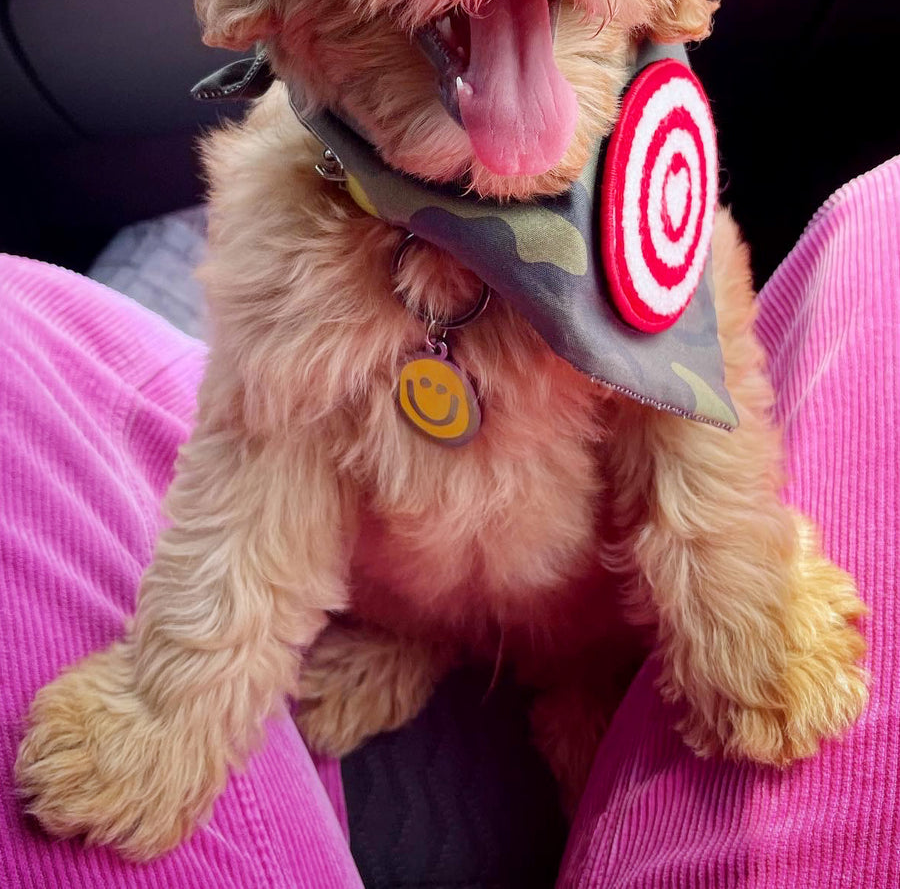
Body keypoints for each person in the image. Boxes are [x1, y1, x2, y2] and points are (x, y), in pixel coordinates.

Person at [2, 158, 897, 888]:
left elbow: (693, 405)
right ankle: (412, 648)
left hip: (604, 623)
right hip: (401, 595)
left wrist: (736, 598)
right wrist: (171, 706)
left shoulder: (647, 192)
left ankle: (588, 689)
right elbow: (263, 462)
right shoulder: (284, 207)